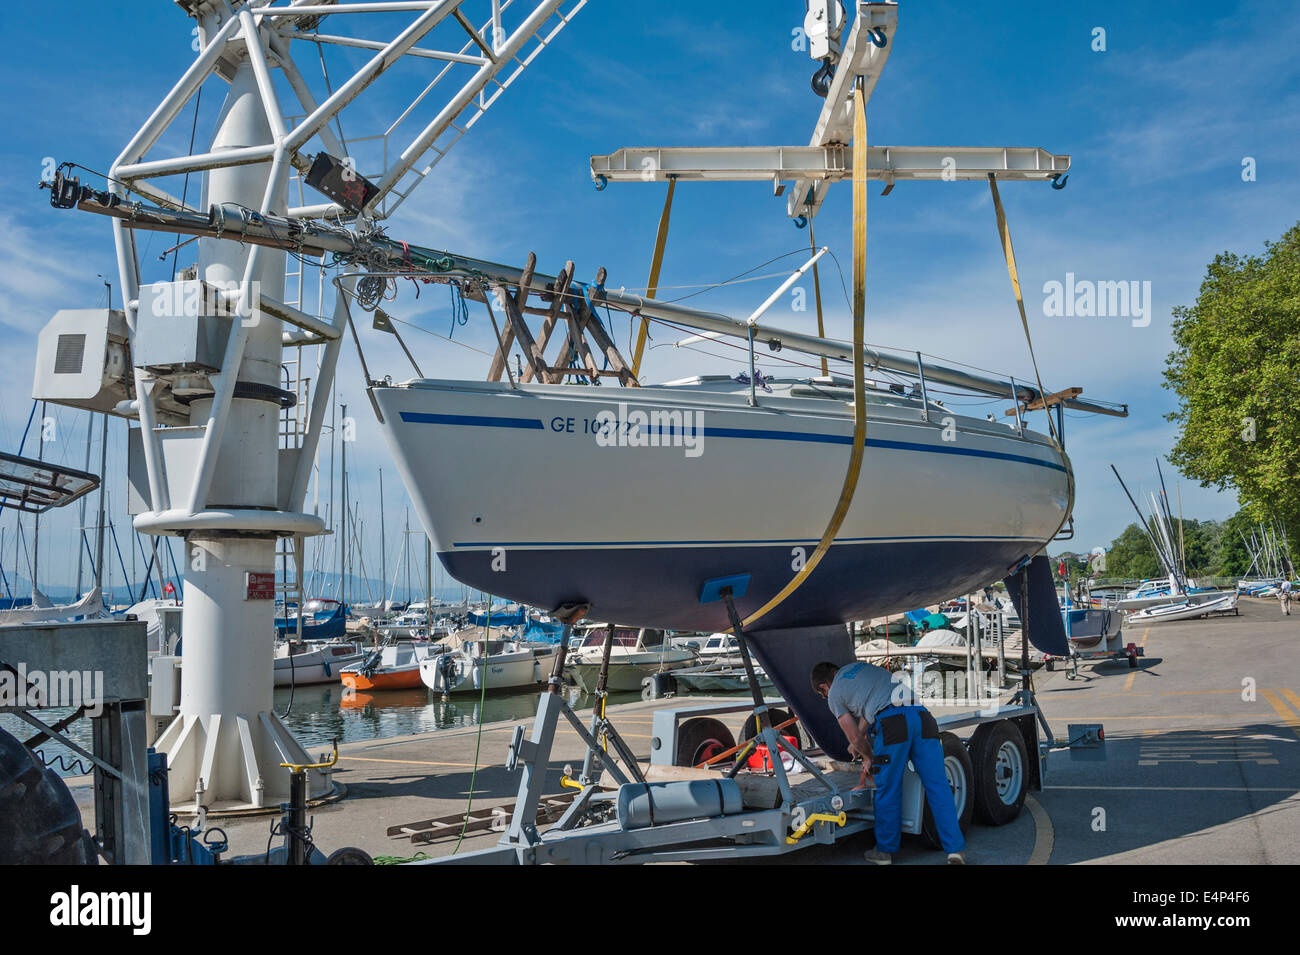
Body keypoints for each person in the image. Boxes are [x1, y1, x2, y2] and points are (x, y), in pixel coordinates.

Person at [811, 660, 966, 865]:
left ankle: (884, 851)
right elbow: (872, 705)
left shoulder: (835, 694)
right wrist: (860, 738)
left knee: (888, 788)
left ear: (824, 687)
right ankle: (955, 850)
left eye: (823, 695)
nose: (826, 697)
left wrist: (868, 756)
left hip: (895, 724)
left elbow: (856, 739)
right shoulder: (862, 668)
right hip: (922, 717)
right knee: (938, 785)